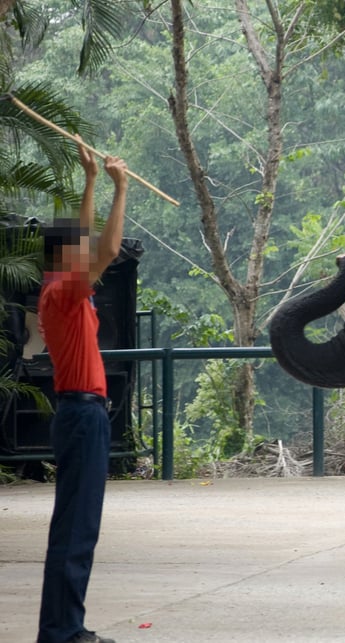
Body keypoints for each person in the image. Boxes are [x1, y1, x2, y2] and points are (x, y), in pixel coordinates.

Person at [36, 137, 128, 643]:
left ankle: (64, 627)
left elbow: (95, 246)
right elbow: (108, 248)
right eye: (76, 246)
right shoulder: (62, 291)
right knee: (75, 527)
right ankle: (62, 632)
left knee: (77, 525)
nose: (85, 252)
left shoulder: (66, 294)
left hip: (83, 412)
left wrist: (94, 181)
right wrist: (114, 185)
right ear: (63, 257)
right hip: (80, 413)